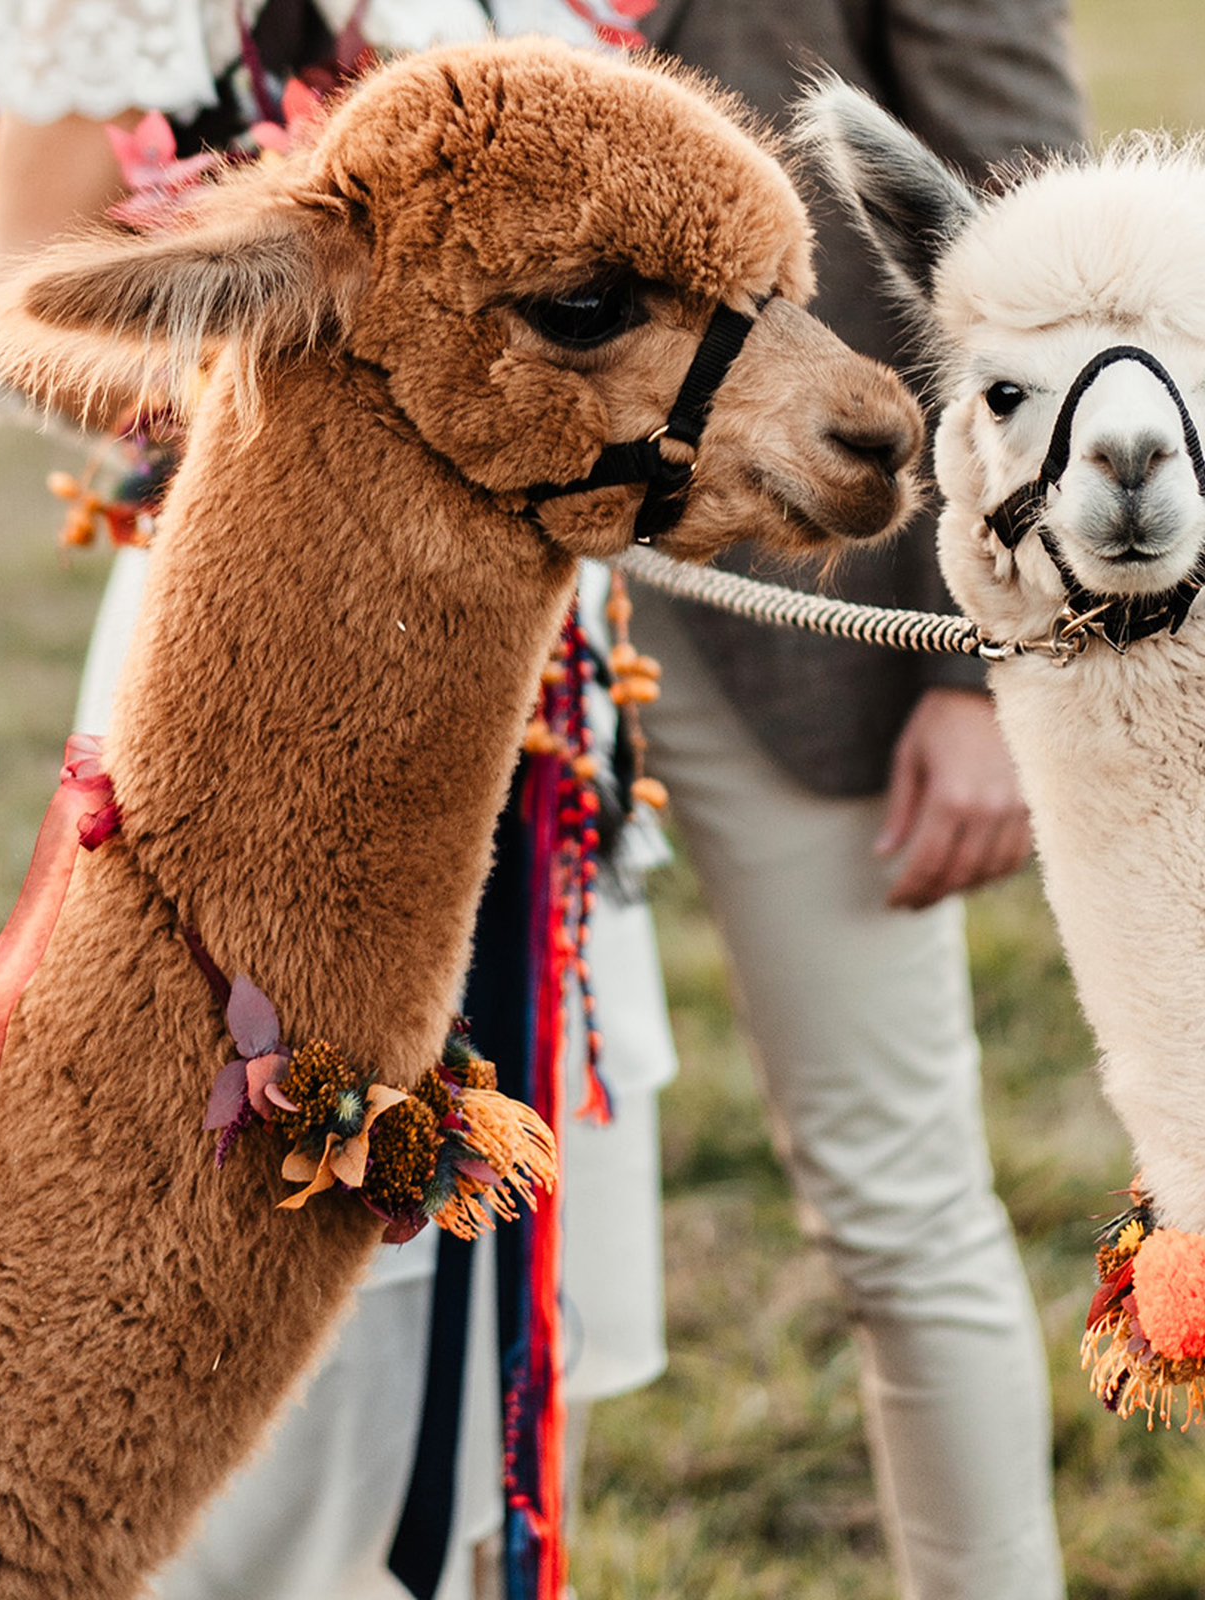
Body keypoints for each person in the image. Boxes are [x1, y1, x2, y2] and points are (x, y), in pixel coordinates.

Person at [0, 4, 677, 1597]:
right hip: (287, 645)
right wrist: (360, 364)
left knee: (519, 1239)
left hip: (529, 656)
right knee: (268, 1215)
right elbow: (37, 321)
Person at [622, 2, 1087, 1595]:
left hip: (813, 604)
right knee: (449, 1200)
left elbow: (1036, 247)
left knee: (897, 1197)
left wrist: (983, 670)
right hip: (465, 610)